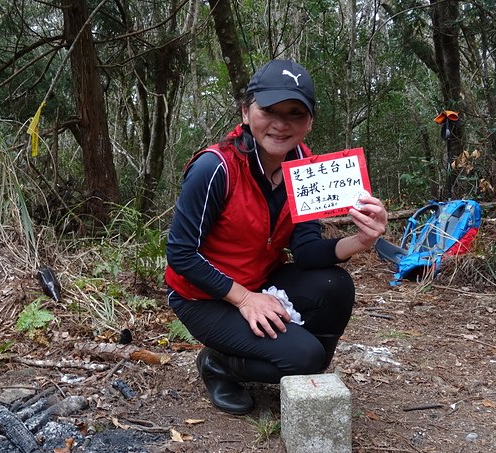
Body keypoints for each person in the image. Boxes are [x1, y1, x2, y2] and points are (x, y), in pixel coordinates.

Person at [165, 59, 388, 415]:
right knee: (305, 356)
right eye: (269, 110)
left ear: (310, 121)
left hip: (261, 280)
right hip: (202, 297)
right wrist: (244, 300)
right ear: (246, 111)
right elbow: (181, 255)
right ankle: (218, 364)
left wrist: (362, 241)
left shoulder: (306, 170)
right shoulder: (216, 168)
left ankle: (293, 360)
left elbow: (307, 251)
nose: (281, 124)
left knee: (335, 285)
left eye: (295, 113)